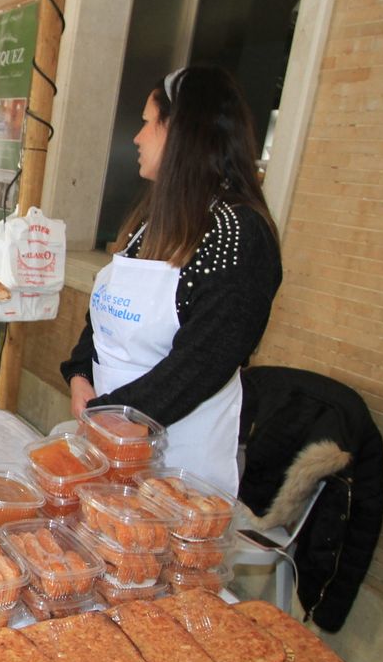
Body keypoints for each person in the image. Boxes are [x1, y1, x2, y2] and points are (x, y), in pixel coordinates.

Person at [61, 65, 282, 493]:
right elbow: (107, 315)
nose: (137, 137)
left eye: (148, 123)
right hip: (108, 441)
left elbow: (204, 360)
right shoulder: (153, 223)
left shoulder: (237, 233)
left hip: (178, 467)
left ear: (181, 131)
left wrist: (118, 413)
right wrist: (80, 374)